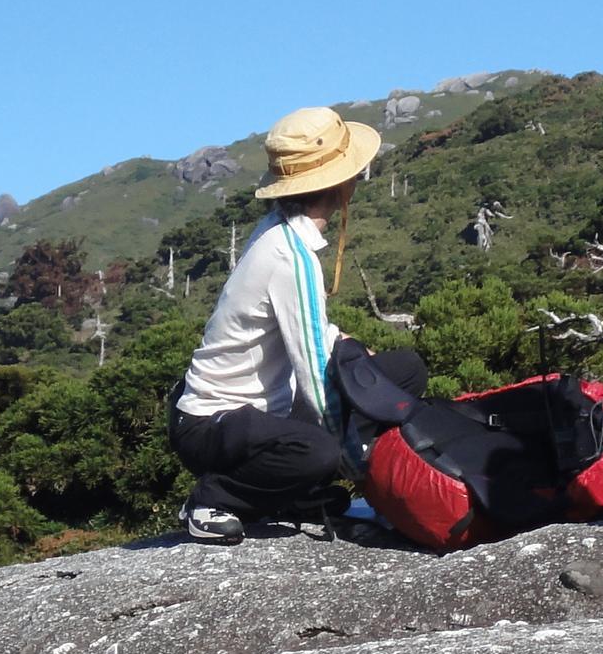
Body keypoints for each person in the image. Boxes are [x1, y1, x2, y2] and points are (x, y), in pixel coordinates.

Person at [168, 106, 426, 545]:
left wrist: (350, 350)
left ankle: (288, 492)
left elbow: (307, 327)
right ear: (340, 182)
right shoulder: (290, 256)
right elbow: (313, 376)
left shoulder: (279, 231)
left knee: (404, 370)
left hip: (262, 412)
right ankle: (213, 499)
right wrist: (350, 462)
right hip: (212, 423)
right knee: (317, 452)